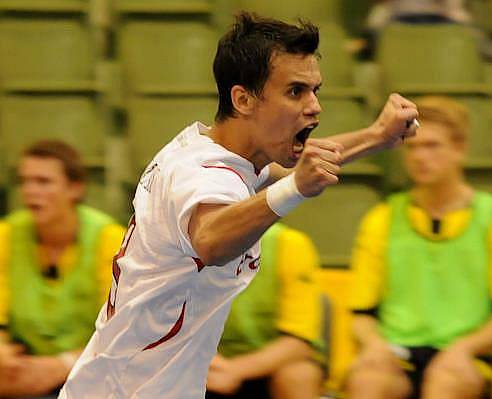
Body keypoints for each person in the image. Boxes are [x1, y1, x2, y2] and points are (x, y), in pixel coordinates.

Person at [58, 12, 418, 398]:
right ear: (243, 99)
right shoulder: (200, 173)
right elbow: (211, 240)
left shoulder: (225, 156)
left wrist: (377, 136)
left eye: (315, 90)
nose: (315, 106)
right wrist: (296, 188)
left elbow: (294, 166)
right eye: (295, 92)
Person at [345, 96, 492, 399]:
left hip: (467, 354)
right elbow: (361, 314)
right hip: (397, 352)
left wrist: (464, 348)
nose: (420, 157)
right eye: (412, 147)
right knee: (367, 382)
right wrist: (374, 344)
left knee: (445, 384)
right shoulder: (382, 219)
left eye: (432, 146)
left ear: (460, 148)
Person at [0, 140, 124, 398]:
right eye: (25, 181)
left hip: (92, 370)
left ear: (75, 189)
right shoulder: (7, 234)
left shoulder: (109, 239)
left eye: (43, 182)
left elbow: (122, 334)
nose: (30, 191)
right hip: (24, 369)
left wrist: (64, 365)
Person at [206, 223, 322, 399]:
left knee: (300, 375)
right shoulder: (180, 242)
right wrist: (206, 362)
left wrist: (234, 369)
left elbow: (298, 343)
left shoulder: (289, 243)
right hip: (205, 360)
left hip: (271, 364)